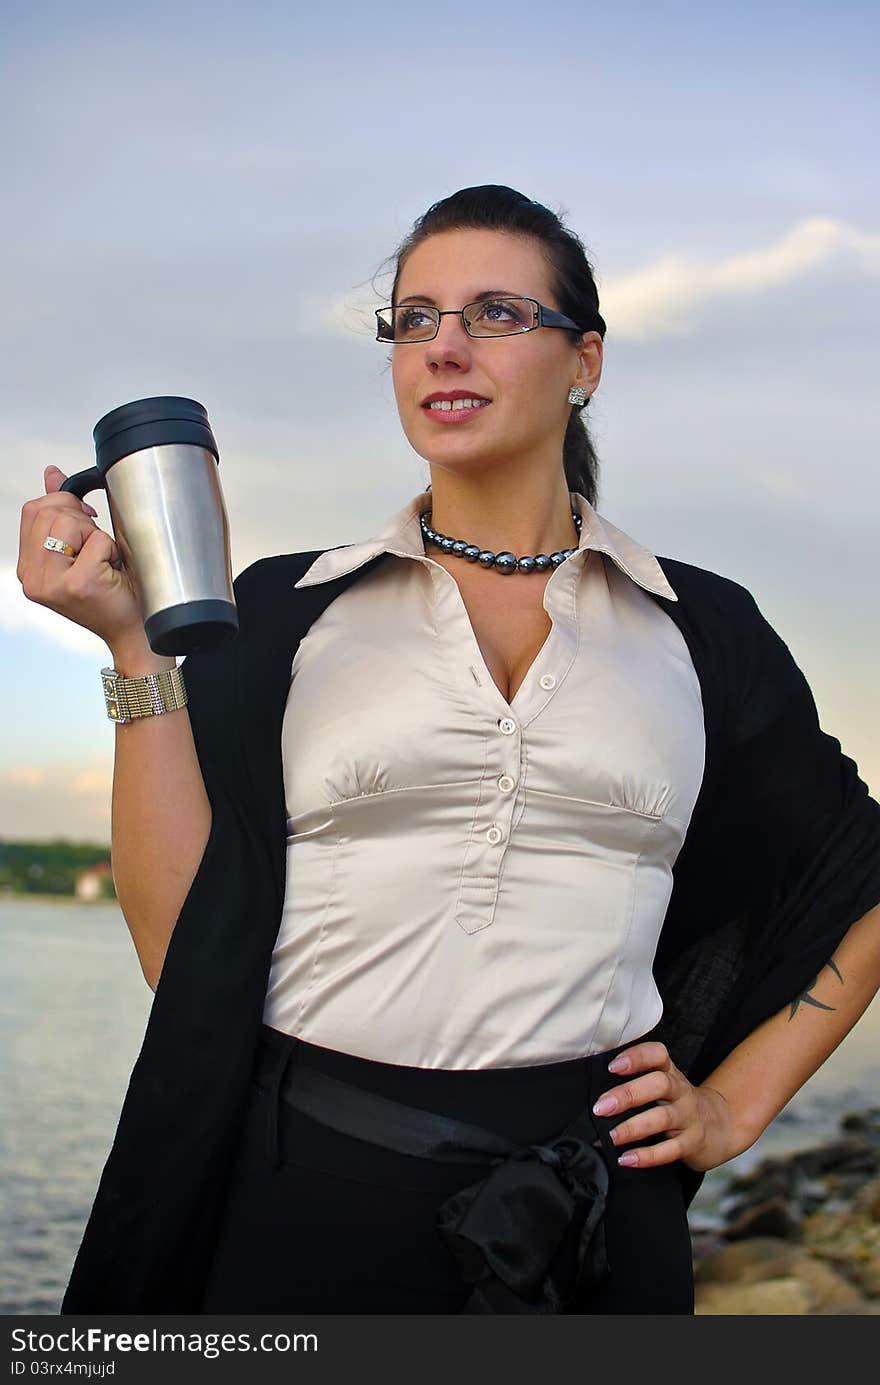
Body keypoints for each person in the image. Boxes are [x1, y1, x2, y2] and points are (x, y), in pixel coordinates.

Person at [17, 185, 880, 1316]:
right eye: (414, 319)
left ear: (586, 363)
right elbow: (183, 950)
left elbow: (856, 871)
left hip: (594, 1220)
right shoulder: (285, 611)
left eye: (495, 315)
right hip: (307, 1195)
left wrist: (734, 1105)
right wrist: (134, 640)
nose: (444, 347)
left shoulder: (700, 629)